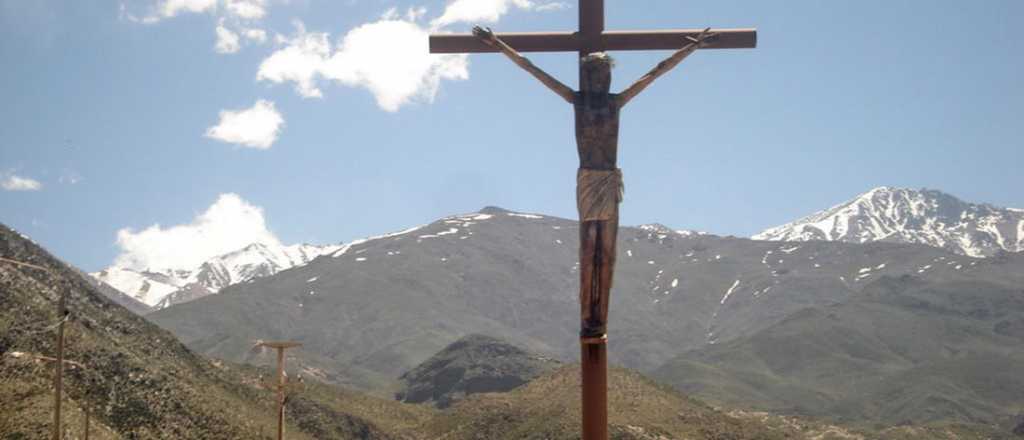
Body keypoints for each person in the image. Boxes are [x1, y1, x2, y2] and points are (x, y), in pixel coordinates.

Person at [472, 26, 717, 339]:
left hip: (608, 179)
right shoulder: (577, 101)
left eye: (604, 74)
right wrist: (497, 44)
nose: (600, 80)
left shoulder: (616, 102)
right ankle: (588, 315)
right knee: (590, 248)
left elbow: (656, 72)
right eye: (595, 74)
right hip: (589, 179)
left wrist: (691, 48)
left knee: (608, 251)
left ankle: (600, 316)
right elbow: (532, 69)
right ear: (587, 77)